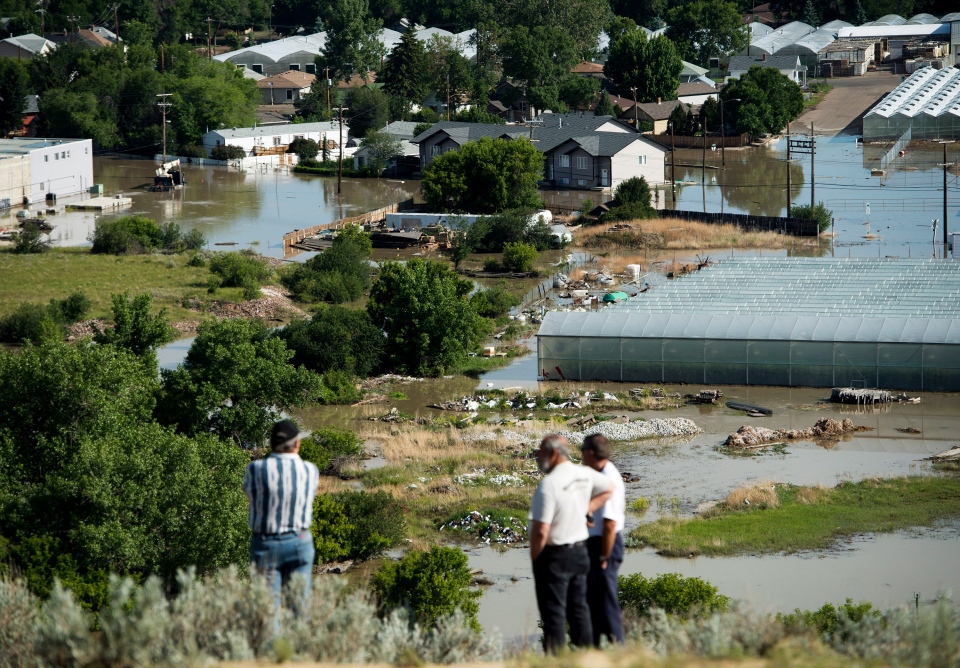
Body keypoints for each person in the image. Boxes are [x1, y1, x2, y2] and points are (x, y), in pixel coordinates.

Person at [529, 434, 613, 653]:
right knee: (579, 611)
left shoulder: (549, 485)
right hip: (580, 553)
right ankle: (585, 658)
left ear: (554, 453)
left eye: (541, 452)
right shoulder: (584, 474)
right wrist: (588, 508)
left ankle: (557, 662)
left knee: (554, 615)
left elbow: (540, 530)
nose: (538, 456)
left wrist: (535, 558)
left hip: (554, 556)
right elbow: (609, 488)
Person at [243, 419, 319, 611]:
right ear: (297, 444)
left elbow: (250, 493)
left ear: (271, 444)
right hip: (299, 540)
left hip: (265, 544)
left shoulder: (255, 469)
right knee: (300, 609)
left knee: (268, 612)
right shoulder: (310, 470)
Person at [581, 434, 626, 646]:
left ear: (590, 453)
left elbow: (610, 524)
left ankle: (618, 650)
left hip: (605, 544)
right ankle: (597, 650)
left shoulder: (609, 478)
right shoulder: (598, 474)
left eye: (582, 450)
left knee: (606, 602)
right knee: (593, 601)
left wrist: (603, 556)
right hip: (597, 542)